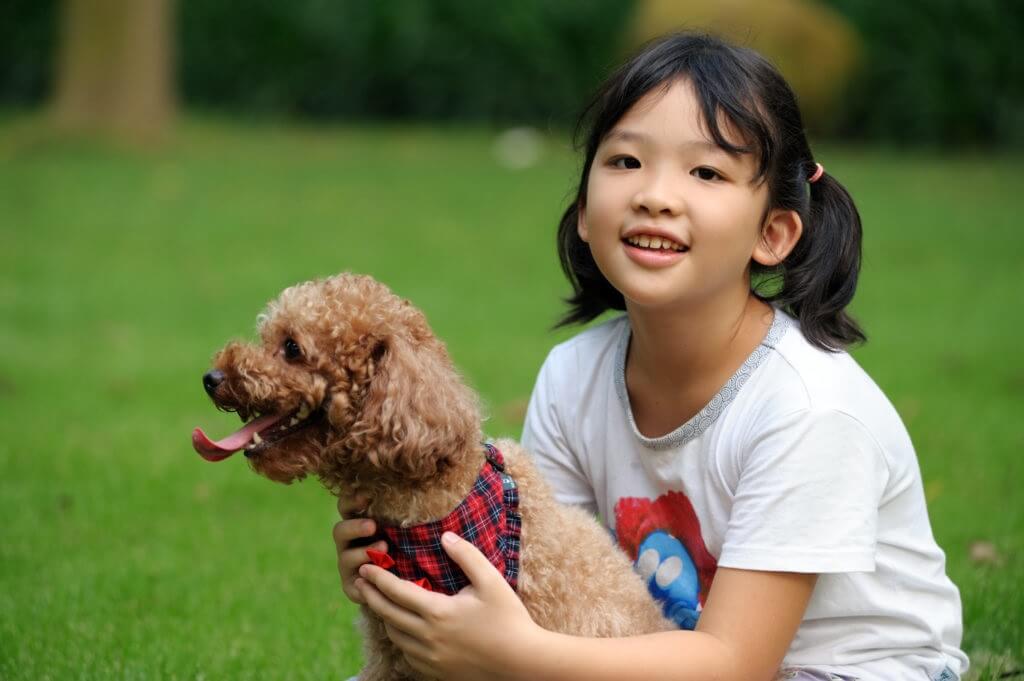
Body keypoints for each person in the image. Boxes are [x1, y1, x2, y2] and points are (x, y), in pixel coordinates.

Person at [333, 32, 967, 681]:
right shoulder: (572, 377)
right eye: (627, 161)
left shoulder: (808, 408)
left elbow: (734, 664)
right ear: (583, 210)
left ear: (773, 232)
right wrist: (404, 562)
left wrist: (510, 653)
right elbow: (535, 573)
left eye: (706, 172)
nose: (655, 195)